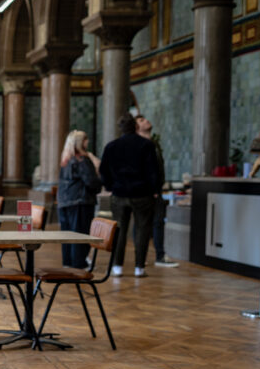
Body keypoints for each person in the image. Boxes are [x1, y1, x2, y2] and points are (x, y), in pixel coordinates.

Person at [99, 113, 161, 278]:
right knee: (142, 230)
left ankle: (117, 267)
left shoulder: (111, 146)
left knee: (119, 231)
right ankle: (139, 267)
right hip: (142, 194)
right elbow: (153, 170)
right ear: (135, 127)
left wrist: (110, 186)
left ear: (121, 128)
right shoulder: (146, 145)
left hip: (119, 194)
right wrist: (155, 189)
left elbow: (103, 171)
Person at [135, 116, 179, 268]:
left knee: (158, 222)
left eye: (145, 119)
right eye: (141, 121)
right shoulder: (139, 145)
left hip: (157, 190)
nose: (146, 121)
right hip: (145, 191)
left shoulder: (154, 144)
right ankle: (140, 257)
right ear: (136, 128)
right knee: (141, 224)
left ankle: (159, 255)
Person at [57, 130, 102, 268]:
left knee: (67, 235)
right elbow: (92, 182)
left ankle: (68, 262)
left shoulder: (66, 160)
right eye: (85, 139)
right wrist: (98, 169)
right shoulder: (82, 159)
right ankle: (79, 264)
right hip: (80, 201)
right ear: (80, 142)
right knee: (80, 233)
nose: (87, 142)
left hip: (64, 202)